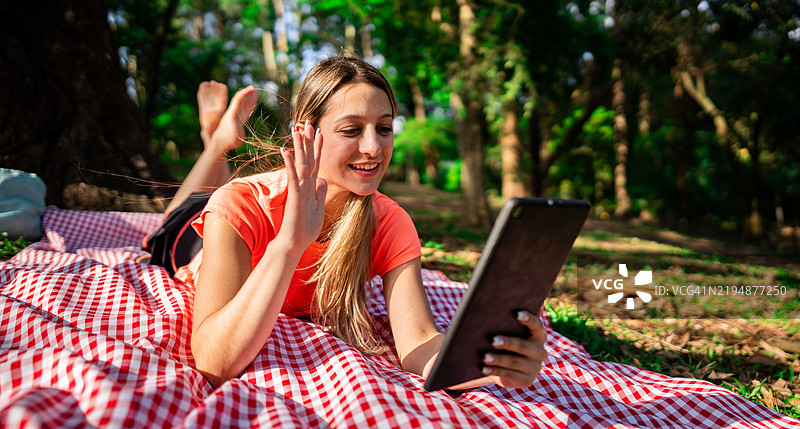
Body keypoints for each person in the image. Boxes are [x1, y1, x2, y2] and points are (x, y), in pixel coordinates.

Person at [157, 56, 548, 390]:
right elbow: (214, 361)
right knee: (178, 212)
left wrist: (489, 364)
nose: (373, 148)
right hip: (194, 242)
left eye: (383, 127)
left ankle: (219, 141)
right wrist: (289, 243)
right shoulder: (240, 204)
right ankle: (216, 141)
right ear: (305, 131)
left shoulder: (390, 221)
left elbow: (420, 341)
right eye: (351, 129)